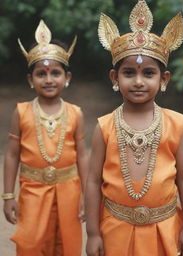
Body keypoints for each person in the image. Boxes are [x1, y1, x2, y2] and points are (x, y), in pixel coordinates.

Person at [85, 1, 183, 256]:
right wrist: (93, 233)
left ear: (164, 79)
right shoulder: (105, 126)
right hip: (115, 229)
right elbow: (92, 182)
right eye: (128, 73)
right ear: (115, 78)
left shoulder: (176, 123)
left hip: (164, 229)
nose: (138, 82)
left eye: (148, 73)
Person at [2, 20, 87, 256]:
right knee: (31, 244)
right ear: (31, 80)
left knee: (67, 244)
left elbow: (82, 155)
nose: (48, 80)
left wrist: (85, 196)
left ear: (67, 77)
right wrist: (8, 196)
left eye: (55, 73)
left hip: (69, 191)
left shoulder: (75, 112)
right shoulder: (21, 112)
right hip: (32, 192)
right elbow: (11, 155)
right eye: (41, 74)